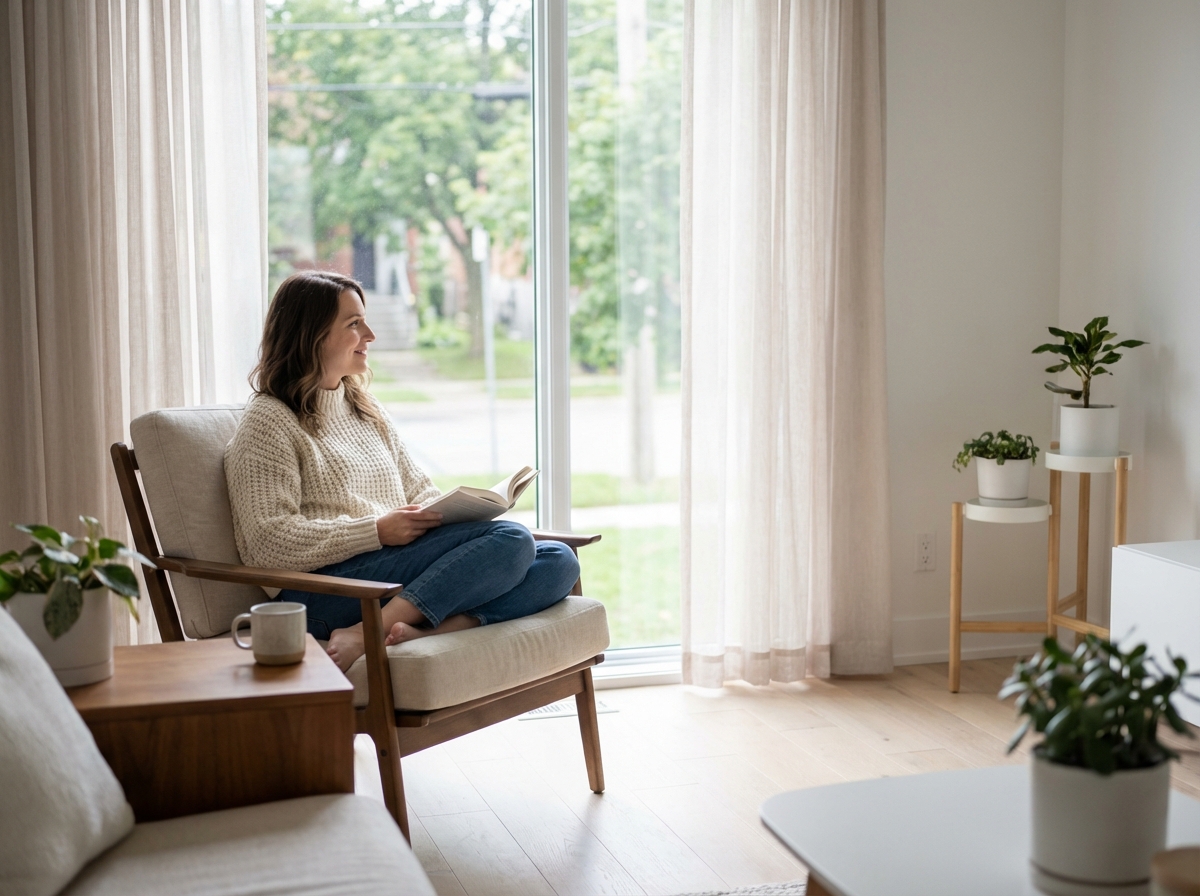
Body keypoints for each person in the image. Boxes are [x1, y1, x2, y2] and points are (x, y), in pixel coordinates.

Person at [224, 270, 579, 672]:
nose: (370, 335)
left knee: (558, 559)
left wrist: (459, 511)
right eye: (354, 324)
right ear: (312, 334)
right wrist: (376, 530)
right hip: (325, 588)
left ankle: (429, 631)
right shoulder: (268, 421)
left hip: (391, 567)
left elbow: (418, 489)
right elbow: (266, 544)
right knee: (512, 540)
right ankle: (365, 630)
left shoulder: (364, 408)